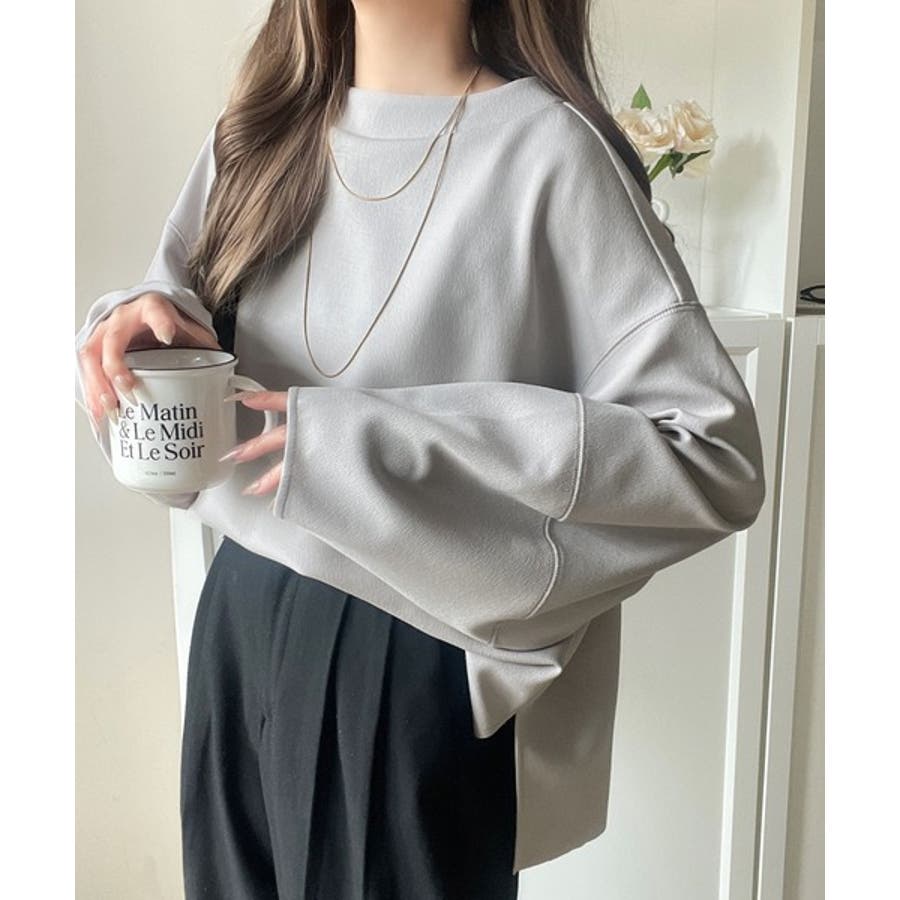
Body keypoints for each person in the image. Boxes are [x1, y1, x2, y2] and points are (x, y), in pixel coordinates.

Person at [75, 1, 767, 897]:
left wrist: (374, 442)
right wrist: (141, 328)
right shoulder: (257, 135)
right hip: (240, 618)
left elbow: (709, 453)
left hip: (404, 649)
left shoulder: (550, 151)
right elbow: (183, 320)